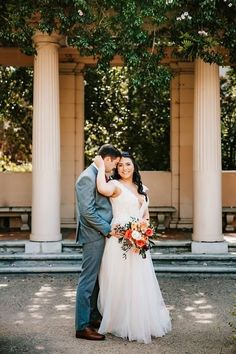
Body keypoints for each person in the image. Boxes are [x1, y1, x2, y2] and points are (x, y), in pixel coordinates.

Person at [94, 151, 172, 344]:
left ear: (134, 166)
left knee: (139, 280)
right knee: (120, 280)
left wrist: (144, 230)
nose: (124, 168)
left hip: (139, 242)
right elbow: (101, 188)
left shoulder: (142, 188)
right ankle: (120, 321)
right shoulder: (114, 185)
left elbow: (145, 214)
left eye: (128, 164)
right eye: (120, 165)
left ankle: (140, 320)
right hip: (120, 240)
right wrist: (101, 166)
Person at [74, 144, 121, 341]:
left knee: (96, 281)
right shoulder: (87, 177)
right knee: (87, 281)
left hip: (101, 235)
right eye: (115, 163)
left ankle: (93, 317)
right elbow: (88, 212)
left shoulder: (100, 174)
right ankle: (82, 326)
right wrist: (108, 229)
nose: (115, 168)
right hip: (94, 235)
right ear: (107, 159)